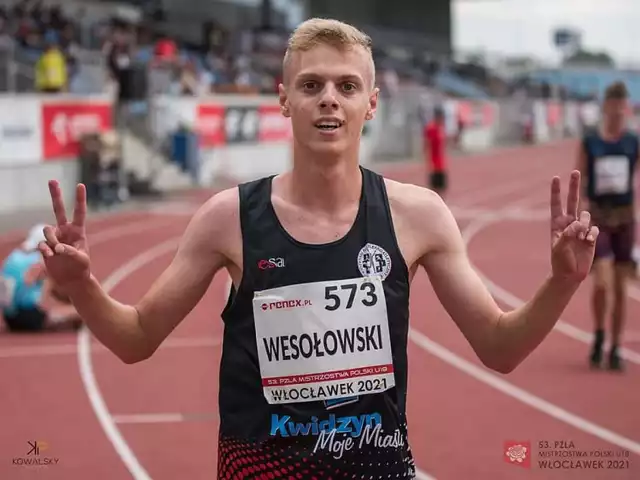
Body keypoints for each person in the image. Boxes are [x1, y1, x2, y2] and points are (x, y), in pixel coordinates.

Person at [39, 18, 598, 478]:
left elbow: (500, 347)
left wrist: (562, 282)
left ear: (371, 103)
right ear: (284, 100)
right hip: (259, 471)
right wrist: (81, 286)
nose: (329, 100)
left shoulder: (418, 215)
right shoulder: (227, 219)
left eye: (346, 86)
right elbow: (136, 338)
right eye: (311, 86)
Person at [576, 81, 637, 372]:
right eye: (613, 105)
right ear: (606, 107)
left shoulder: (633, 142)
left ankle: (615, 346)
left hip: (624, 219)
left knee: (621, 287)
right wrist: (578, 220)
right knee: (601, 283)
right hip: (599, 218)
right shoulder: (591, 141)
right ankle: (599, 332)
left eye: (622, 106)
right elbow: (578, 180)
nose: (618, 112)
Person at [1, 224, 80, 332]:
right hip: (30, 317)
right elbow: (35, 283)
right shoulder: (39, 261)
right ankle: (74, 311)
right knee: (81, 313)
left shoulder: (13, 257)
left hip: (9, 318)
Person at [424, 106, 448, 198]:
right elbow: (427, 144)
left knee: (442, 187)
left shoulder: (440, 127)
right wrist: (429, 162)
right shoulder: (431, 128)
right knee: (434, 189)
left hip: (441, 163)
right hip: (434, 163)